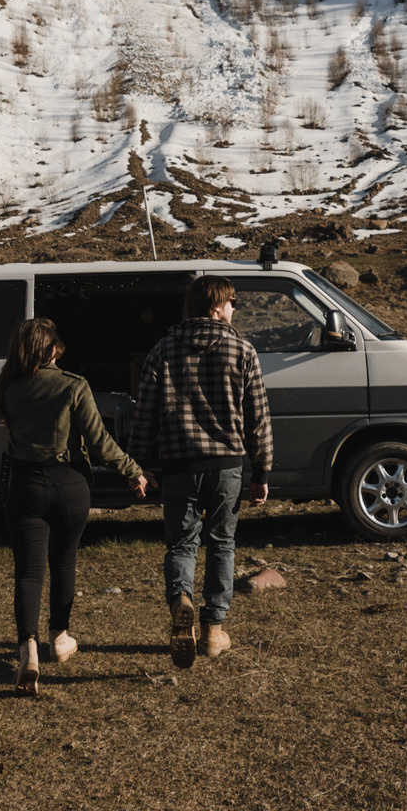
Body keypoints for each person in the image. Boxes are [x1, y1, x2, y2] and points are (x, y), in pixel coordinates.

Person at [0, 317, 148, 696]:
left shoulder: (7, 388)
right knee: (64, 562)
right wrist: (132, 470)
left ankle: (27, 646)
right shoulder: (73, 385)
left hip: (25, 485)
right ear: (49, 350)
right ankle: (59, 638)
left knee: (28, 572)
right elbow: (99, 441)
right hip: (69, 485)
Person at [132, 274, 272, 669]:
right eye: (231, 302)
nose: (234, 309)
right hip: (227, 466)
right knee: (222, 543)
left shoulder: (162, 350)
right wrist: (261, 472)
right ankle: (213, 630)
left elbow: (145, 413)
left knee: (181, 544)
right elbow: (258, 419)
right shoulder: (242, 349)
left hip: (179, 466)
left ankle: (181, 598)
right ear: (215, 307)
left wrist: (138, 463)